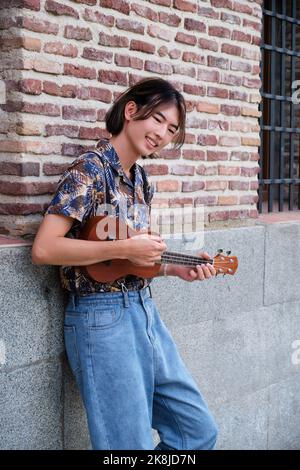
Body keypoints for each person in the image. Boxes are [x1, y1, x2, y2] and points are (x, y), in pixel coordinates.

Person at [31, 77, 218, 450]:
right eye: (158, 120)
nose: (163, 134)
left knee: (196, 432)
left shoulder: (141, 180)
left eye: (172, 129)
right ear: (131, 111)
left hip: (144, 312)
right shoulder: (90, 170)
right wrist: (126, 250)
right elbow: (45, 249)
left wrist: (171, 267)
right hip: (100, 320)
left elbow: (132, 259)